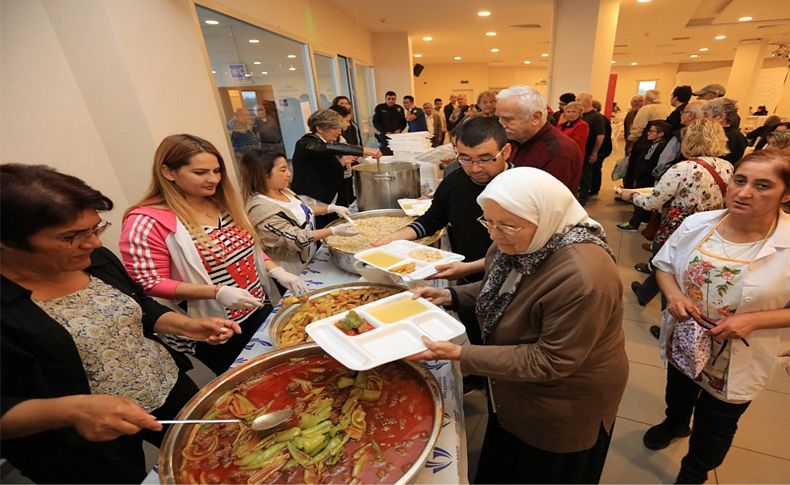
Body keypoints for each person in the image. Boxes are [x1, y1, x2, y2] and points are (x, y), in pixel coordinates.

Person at [1, 164, 240, 483]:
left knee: (217, 456)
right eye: (71, 237)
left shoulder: (94, 259)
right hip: (81, 439)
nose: (94, 243)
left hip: (163, 384)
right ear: (7, 242)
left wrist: (184, 325)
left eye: (95, 229)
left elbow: (138, 305)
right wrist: (70, 410)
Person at [408, 167, 628, 483]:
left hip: (562, 403)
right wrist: (450, 295)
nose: (495, 234)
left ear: (547, 216)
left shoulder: (583, 277)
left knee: (543, 470)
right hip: (518, 389)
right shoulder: (520, 239)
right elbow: (503, 286)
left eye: (508, 225)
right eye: (488, 221)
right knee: (510, 456)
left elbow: (550, 361)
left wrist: (461, 354)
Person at [645, 150, 790, 484]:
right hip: (688, 337)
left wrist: (752, 321)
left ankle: (693, 471)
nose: (744, 192)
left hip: (741, 353)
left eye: (763, 185)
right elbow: (664, 265)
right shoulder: (698, 224)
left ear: (786, 193)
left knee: (717, 423)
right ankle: (675, 422)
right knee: (678, 390)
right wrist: (675, 295)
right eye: (740, 180)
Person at [120, 134, 305, 375]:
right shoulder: (146, 222)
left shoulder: (220, 203)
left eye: (217, 171)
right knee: (247, 379)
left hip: (255, 306)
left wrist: (276, 270)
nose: (213, 179)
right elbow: (150, 283)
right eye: (200, 173)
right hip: (213, 324)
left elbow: (248, 247)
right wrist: (216, 292)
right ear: (168, 172)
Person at [617, 119, 733, 311]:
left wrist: (631, 195)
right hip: (706, 229)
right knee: (680, 266)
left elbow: (653, 202)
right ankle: (645, 292)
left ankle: (670, 318)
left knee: (668, 271)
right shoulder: (727, 166)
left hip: (677, 229)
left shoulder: (683, 168)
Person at [240, 150, 359, 276]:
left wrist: (330, 208)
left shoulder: (284, 191)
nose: (289, 174)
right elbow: (296, 238)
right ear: (264, 175)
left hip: (311, 258)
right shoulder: (261, 209)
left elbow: (301, 209)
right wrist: (332, 231)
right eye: (283, 170)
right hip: (292, 271)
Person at [291, 109, 381, 227]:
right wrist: (365, 150)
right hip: (312, 199)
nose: (339, 132)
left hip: (327, 199)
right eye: (334, 128)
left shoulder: (324, 142)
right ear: (319, 128)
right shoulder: (307, 142)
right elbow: (328, 148)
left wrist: (341, 162)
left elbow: (321, 167)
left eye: (339, 128)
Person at [496, 85, 583, 196]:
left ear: (535, 118)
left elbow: (549, 203)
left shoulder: (559, 153)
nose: (501, 124)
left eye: (508, 119)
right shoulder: (516, 139)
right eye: (499, 118)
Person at [617, 120, 673, 232]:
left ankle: (634, 223)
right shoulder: (657, 145)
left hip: (646, 177)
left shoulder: (658, 146)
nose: (648, 133)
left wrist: (639, 174)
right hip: (646, 176)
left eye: (652, 131)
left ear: (661, 134)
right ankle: (644, 219)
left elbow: (648, 162)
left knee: (639, 197)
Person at [328, 104, 360, 206]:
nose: (349, 124)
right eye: (347, 121)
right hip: (337, 180)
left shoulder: (341, 137)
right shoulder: (324, 142)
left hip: (346, 176)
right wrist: (342, 160)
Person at [703, 97, 747, 165]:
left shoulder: (715, 137)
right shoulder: (739, 135)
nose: (702, 119)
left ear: (720, 117)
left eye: (706, 115)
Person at [372, 90, 406, 155]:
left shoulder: (399, 108)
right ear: (385, 99)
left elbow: (404, 122)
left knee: (398, 154)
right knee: (386, 154)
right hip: (385, 137)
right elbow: (375, 122)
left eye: (393, 99)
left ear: (395, 99)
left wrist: (400, 130)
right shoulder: (379, 108)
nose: (391, 101)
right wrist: (385, 131)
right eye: (389, 99)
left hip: (397, 137)